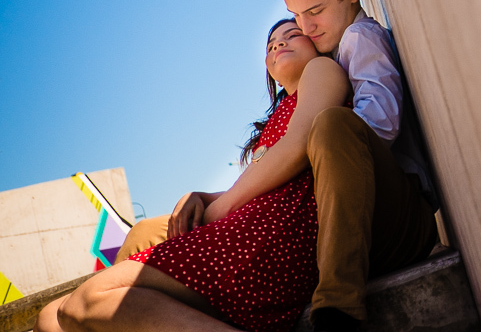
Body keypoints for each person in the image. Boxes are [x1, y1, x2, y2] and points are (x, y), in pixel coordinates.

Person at [114, 0, 439, 332]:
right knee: (148, 234)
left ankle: (338, 306)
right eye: (296, 16)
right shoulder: (315, 75)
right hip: (360, 217)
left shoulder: (358, 37)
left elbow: (381, 124)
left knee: (332, 126)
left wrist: (308, 152)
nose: (306, 26)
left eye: (314, 12)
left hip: (400, 218)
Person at [35, 19, 351, 332]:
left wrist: (221, 207)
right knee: (50, 317)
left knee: (88, 301)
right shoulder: (274, 121)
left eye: (292, 34)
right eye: (270, 45)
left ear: (315, 40)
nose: (279, 44)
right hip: (249, 233)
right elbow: (258, 182)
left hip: (273, 239)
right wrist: (202, 197)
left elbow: (296, 148)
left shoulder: (321, 70)